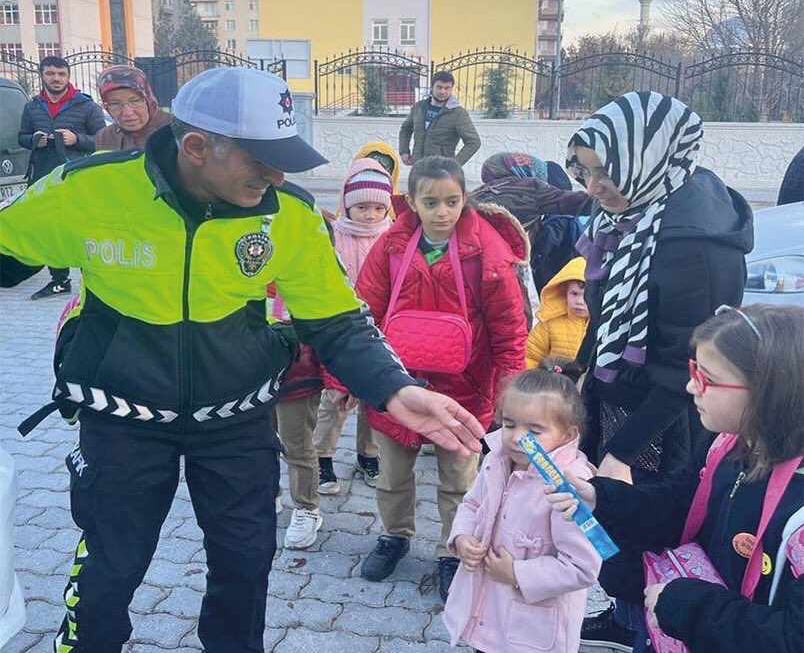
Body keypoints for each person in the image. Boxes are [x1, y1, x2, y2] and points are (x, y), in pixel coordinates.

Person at [0, 67, 485, 653]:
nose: (277, 174)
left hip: (235, 426)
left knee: (245, 569)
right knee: (109, 573)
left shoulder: (290, 214)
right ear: (199, 147)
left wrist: (394, 388)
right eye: (261, 158)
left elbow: (336, 320)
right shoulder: (89, 189)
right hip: (121, 421)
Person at [566, 91, 754, 649]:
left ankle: (653, 620)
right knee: (619, 519)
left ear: (644, 158)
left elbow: (685, 368)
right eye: (585, 170)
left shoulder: (692, 242)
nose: (593, 187)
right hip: (619, 394)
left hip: (665, 416)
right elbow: (605, 313)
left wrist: (621, 450)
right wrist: (581, 369)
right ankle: (627, 614)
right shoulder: (631, 211)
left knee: (650, 517)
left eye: (606, 172)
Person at [546, 304, 804, 653]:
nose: (689, 385)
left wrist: (686, 605)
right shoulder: (727, 445)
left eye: (705, 377)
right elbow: (681, 504)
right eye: (693, 368)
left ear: (768, 390)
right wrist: (603, 498)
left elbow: (792, 637)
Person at [356, 156, 528, 602]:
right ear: (411, 201)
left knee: (459, 479)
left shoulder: (485, 251)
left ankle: (452, 550)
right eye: (430, 202)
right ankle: (395, 535)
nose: (442, 212)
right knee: (392, 475)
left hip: (466, 389)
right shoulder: (392, 247)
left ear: (464, 198)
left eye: (452, 201)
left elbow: (510, 328)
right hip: (399, 386)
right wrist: (345, 382)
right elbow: (363, 313)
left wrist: (508, 393)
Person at [443, 368, 601, 653]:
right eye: (509, 424)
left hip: (531, 634)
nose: (517, 438)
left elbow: (583, 567)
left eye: (534, 430)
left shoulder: (567, 488)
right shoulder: (497, 461)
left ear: (567, 434)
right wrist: (462, 538)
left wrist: (517, 573)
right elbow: (472, 504)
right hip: (485, 614)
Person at [315, 158, 394, 494]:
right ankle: (322, 457)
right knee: (334, 398)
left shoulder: (392, 237)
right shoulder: (334, 235)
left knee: (376, 396)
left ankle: (368, 455)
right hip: (342, 327)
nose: (371, 215)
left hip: (381, 327)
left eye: (378, 208)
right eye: (362, 206)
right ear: (347, 203)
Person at [17, 55, 105, 300]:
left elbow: (103, 138)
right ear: (42, 76)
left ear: (68, 76)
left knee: (83, 229)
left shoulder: (86, 106)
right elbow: (21, 137)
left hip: (78, 178)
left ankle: (95, 280)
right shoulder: (32, 106)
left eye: (61, 74)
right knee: (49, 231)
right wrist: (35, 139)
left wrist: (77, 139)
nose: (56, 78)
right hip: (44, 178)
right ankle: (59, 281)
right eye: (51, 74)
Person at [470, 152, 589, 294]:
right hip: (513, 270)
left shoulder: (474, 196)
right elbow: (577, 203)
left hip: (478, 270)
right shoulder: (529, 188)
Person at [267, 285, 328, 549]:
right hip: (257, 375)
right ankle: (269, 494)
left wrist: (335, 380)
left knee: (297, 447)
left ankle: (307, 508)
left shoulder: (305, 266)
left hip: (299, 377)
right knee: (261, 442)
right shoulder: (245, 267)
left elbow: (334, 327)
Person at [398, 71, 481, 166]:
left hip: (441, 171)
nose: (443, 92)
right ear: (432, 87)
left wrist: (454, 164)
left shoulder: (457, 113)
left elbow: (474, 142)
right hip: (418, 166)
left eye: (447, 88)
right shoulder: (419, 107)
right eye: (439, 87)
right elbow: (405, 129)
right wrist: (404, 151)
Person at [525, 257, 589, 369]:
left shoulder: (602, 325)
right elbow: (531, 356)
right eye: (574, 294)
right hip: (553, 383)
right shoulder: (551, 322)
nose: (579, 301)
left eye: (586, 295)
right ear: (565, 292)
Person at [94, 65, 172, 151]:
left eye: (135, 101)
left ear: (148, 100)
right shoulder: (105, 137)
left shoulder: (174, 129)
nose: (127, 113)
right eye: (115, 104)